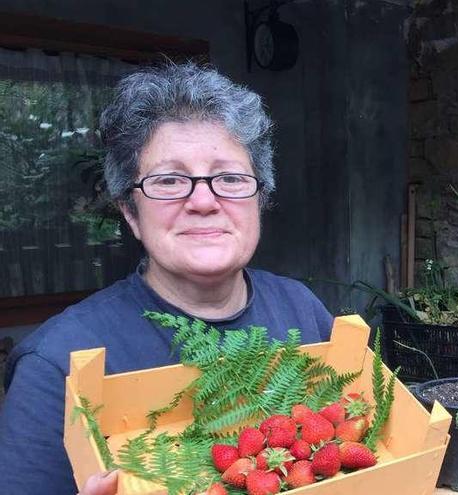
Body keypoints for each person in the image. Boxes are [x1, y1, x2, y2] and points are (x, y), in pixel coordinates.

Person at [0, 63, 334, 494]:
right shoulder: (56, 363)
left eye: (229, 178)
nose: (203, 200)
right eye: (169, 180)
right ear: (130, 213)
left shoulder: (302, 309)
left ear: (260, 197)